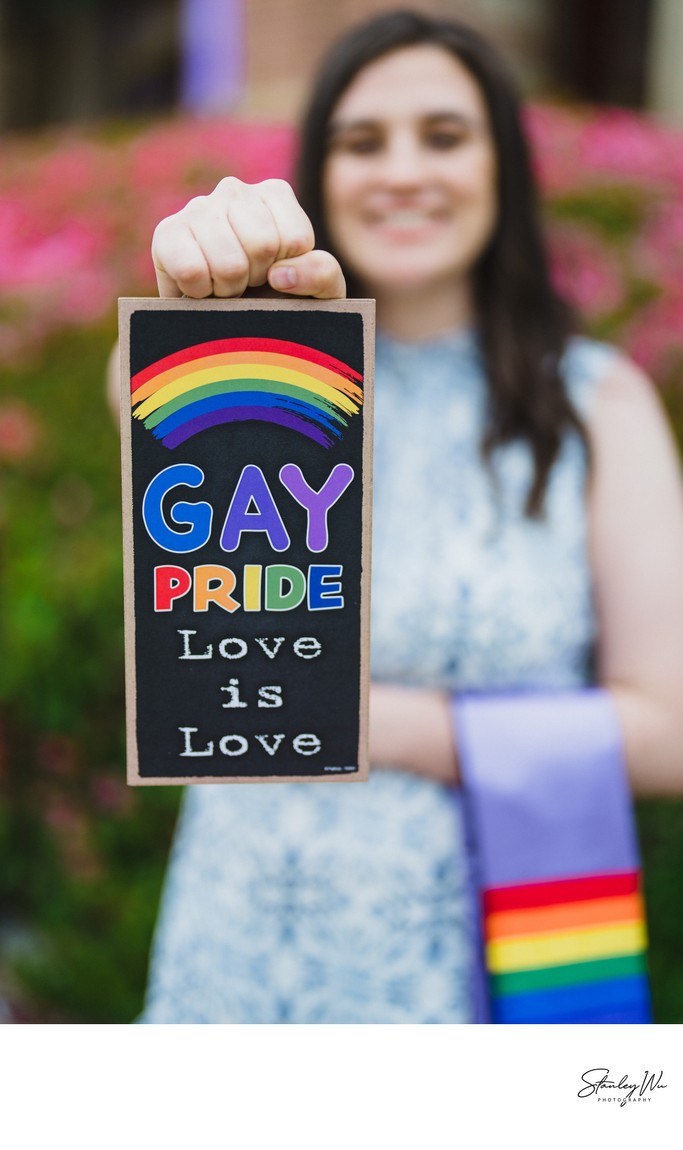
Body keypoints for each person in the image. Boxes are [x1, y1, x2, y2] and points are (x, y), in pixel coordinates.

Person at [137, 10, 683, 1023]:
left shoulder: (598, 405)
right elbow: (179, 669)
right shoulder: (268, 391)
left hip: (473, 966)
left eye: (442, 135)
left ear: (501, 169)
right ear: (318, 175)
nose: (400, 171)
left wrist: (365, 720)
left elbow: (667, 729)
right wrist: (214, 334)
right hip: (233, 954)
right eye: (359, 141)